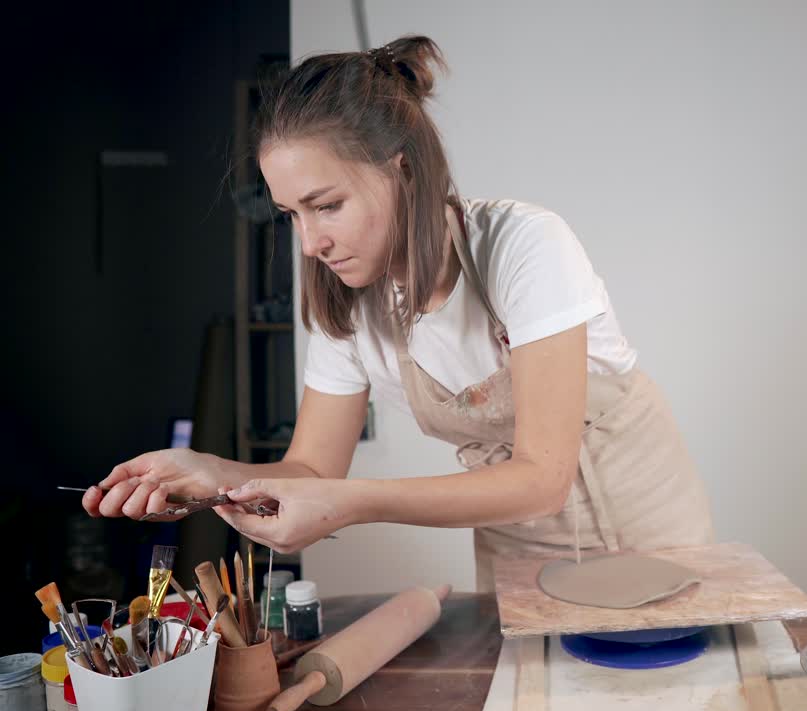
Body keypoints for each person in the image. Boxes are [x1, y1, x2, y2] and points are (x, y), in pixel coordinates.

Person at [82, 36, 714, 590]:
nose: (309, 243)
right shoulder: (351, 307)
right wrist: (211, 472)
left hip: (645, 522)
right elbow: (311, 470)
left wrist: (347, 504)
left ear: (402, 171)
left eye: (326, 205)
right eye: (292, 214)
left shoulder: (524, 246)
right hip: (516, 545)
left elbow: (542, 477)